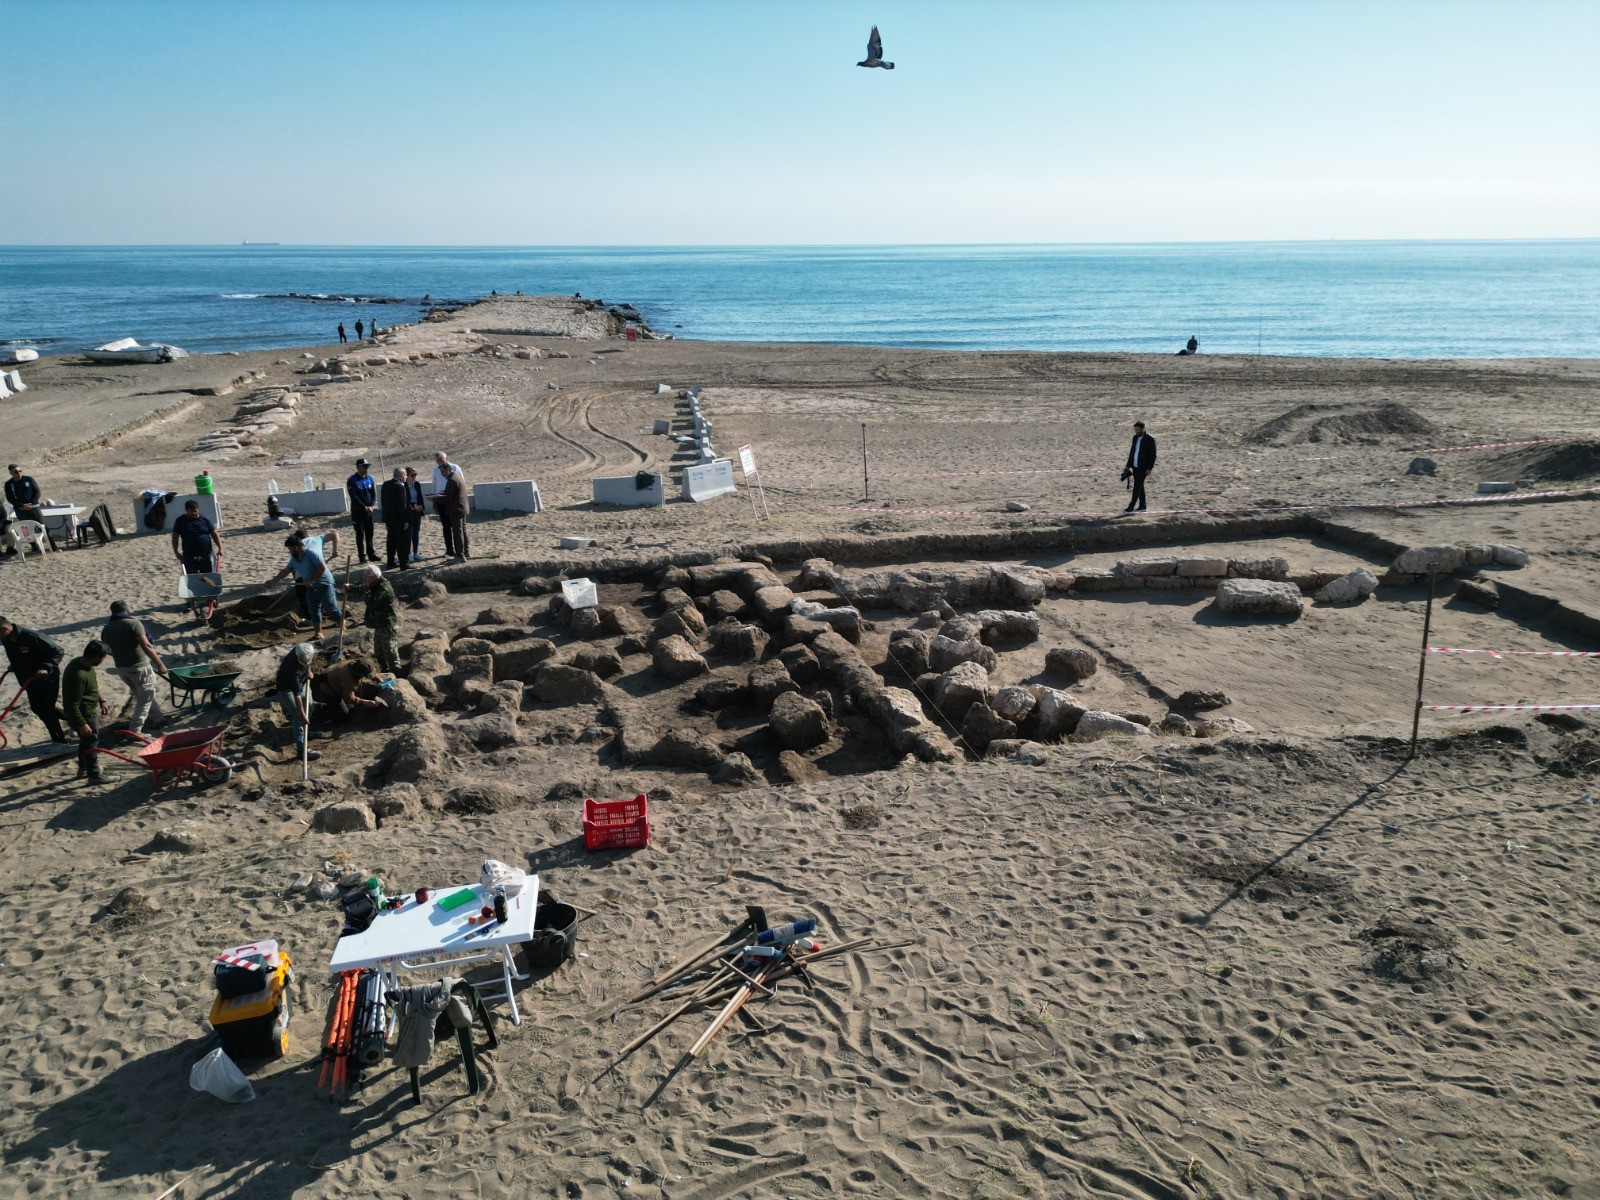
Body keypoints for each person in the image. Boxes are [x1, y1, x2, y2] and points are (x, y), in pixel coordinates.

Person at [101, 600, 169, 734]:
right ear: (127, 610)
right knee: (145, 697)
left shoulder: (107, 628)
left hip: (122, 669)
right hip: (139, 667)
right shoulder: (133, 624)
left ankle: (158, 718)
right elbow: (147, 645)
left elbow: (107, 650)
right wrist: (160, 664)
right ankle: (135, 729)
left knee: (143, 695)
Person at [0, 618, 68, 743]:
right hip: (28, 679)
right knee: (37, 708)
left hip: (46, 678)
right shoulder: (5, 638)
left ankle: (59, 740)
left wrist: (45, 667)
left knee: (47, 709)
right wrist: (14, 665)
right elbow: (16, 655)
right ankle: (74, 720)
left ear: (4, 628)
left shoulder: (32, 636)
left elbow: (58, 651)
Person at [264, 534, 341, 639]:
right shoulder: (294, 559)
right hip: (310, 587)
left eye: (290, 549)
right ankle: (318, 633)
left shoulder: (311, 553)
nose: (289, 551)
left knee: (331, 607)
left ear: (295, 548)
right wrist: (273, 581)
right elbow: (286, 571)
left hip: (324, 584)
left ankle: (342, 622)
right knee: (313, 609)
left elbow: (322, 568)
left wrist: (313, 580)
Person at [62, 640, 110, 783]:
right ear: (97, 657)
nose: (103, 660)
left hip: (89, 710)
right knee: (91, 743)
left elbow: (94, 685)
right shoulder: (78, 675)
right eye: (103, 657)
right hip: (84, 714)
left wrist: (102, 700)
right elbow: (71, 704)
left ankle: (84, 766)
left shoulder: (86, 665)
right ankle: (94, 775)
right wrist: (82, 724)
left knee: (86, 742)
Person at [170, 499, 223, 619]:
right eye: (191, 512)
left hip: (206, 555)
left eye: (196, 511)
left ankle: (212, 599)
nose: (194, 514)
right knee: (191, 578)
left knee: (209, 577)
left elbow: (214, 534)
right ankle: (191, 601)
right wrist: (176, 551)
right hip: (189, 556)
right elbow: (175, 537)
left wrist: (220, 548)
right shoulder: (180, 521)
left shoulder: (205, 520)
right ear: (186, 511)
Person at [275, 642, 320, 762]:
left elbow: (307, 663)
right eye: (303, 661)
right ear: (297, 656)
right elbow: (297, 696)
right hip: (287, 689)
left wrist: (308, 671)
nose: (305, 663)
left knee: (310, 706)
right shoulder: (292, 668)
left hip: (303, 682)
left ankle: (305, 732)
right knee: (297, 715)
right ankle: (302, 750)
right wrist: (302, 715)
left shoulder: (304, 649)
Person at [311, 656, 385, 723]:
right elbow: (348, 697)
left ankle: (322, 706)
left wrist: (380, 681)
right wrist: (365, 702)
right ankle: (317, 713)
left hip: (338, 685)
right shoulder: (349, 680)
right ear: (359, 674)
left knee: (351, 708)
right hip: (329, 691)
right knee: (344, 715)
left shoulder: (356, 664)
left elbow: (369, 671)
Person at [359, 564, 402, 673]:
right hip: (379, 624)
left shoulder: (384, 588)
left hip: (387, 625)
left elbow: (371, 602)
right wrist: (350, 587)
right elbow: (363, 587)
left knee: (390, 652)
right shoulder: (375, 583)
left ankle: (397, 674)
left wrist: (366, 591)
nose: (364, 578)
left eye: (366, 576)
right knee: (378, 651)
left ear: (374, 577)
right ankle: (384, 670)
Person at [1121, 421, 1158, 514]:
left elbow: (1153, 455)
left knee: (1137, 486)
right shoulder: (1135, 438)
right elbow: (1132, 452)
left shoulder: (1150, 439)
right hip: (1135, 466)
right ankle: (1142, 506)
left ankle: (1131, 507)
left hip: (1144, 467)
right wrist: (1128, 466)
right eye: (1135, 429)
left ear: (1142, 429)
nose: (1135, 431)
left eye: (1137, 429)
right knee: (1140, 486)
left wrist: (1150, 468)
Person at [346, 458, 378, 563]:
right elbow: (354, 497)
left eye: (367, 467)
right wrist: (364, 507)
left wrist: (371, 505)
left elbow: (373, 494)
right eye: (364, 467)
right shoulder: (352, 480)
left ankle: (371, 554)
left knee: (370, 533)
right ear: (358, 467)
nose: (366, 469)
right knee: (360, 535)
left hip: (369, 511)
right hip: (358, 512)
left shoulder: (370, 479)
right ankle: (362, 556)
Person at [379, 468, 410, 570]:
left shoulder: (386, 484)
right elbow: (401, 505)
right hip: (398, 519)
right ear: (400, 476)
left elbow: (384, 502)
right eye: (405, 475)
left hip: (389, 518)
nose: (406, 477)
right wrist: (405, 520)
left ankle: (390, 562)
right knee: (402, 542)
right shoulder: (400, 486)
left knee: (391, 541)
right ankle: (404, 564)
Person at [440, 463, 470, 560]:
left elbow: (448, 497)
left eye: (443, 471)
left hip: (456, 509)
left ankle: (460, 554)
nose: (442, 474)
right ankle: (466, 552)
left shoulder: (452, 480)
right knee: (462, 531)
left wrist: (436, 499)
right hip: (461, 508)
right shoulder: (456, 477)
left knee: (458, 532)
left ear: (448, 469)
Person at [404, 467, 426, 563]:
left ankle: (415, 552)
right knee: (410, 533)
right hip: (410, 511)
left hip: (417, 511)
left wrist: (421, 506)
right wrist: (414, 506)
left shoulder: (416, 484)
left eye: (415, 474)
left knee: (416, 533)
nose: (414, 477)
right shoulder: (404, 486)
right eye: (412, 475)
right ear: (407, 476)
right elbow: (406, 499)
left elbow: (420, 496)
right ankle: (408, 553)